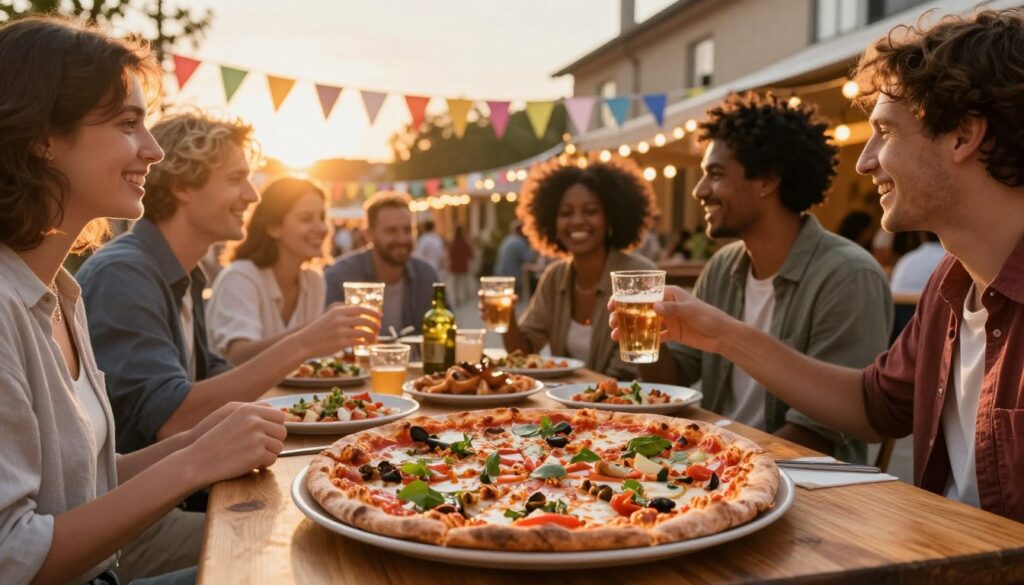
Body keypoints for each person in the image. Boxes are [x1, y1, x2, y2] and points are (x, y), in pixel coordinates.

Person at [614, 9, 1024, 520]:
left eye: (885, 133)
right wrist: (722, 336)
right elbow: (873, 406)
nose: (864, 160)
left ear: (963, 136)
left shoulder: (860, 271)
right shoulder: (951, 281)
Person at [0, 16, 286, 585]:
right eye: (129, 123)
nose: (153, 150)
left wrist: (204, 437)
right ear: (41, 137)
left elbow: (95, 482)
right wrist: (196, 460)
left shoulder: (61, 291)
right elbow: (13, 557)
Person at [77, 113, 380, 455]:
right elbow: (174, 417)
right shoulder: (124, 275)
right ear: (182, 186)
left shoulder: (182, 273)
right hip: (145, 504)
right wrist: (304, 344)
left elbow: (213, 375)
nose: (252, 196)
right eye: (236, 179)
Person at [641, 92, 891, 462]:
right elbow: (675, 377)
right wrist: (647, 332)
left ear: (767, 181)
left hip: (810, 486)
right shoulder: (723, 267)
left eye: (716, 174)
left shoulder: (847, 275)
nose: (700, 190)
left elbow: (817, 431)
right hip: (718, 463)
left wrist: (708, 463)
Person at [499, 155, 657, 378]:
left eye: (590, 211)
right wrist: (507, 316)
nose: (576, 221)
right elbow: (523, 354)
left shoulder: (637, 276)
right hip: (570, 405)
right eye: (565, 213)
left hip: (624, 407)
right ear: (551, 223)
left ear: (611, 219)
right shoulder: (555, 276)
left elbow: (627, 373)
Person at [207, 177, 351, 365]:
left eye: (322, 218)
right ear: (274, 228)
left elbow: (309, 364)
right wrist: (315, 331)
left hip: (291, 394)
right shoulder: (240, 277)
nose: (321, 228)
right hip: (235, 395)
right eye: (306, 219)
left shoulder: (314, 281)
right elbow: (238, 356)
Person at [324, 191, 440, 334]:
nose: (401, 239)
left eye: (407, 230)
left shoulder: (427, 276)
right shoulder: (338, 277)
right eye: (391, 231)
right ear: (369, 234)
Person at [494, 220, 538, 298]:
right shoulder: (519, 242)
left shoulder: (507, 239)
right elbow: (529, 258)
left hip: (500, 275)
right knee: (515, 300)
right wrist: (535, 245)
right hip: (512, 278)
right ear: (521, 230)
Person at [447, 225, 474, 306]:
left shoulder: (453, 242)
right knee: (464, 282)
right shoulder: (464, 242)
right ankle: (465, 297)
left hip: (455, 266)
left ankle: (457, 298)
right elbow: (471, 253)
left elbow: (450, 254)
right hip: (463, 265)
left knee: (456, 284)